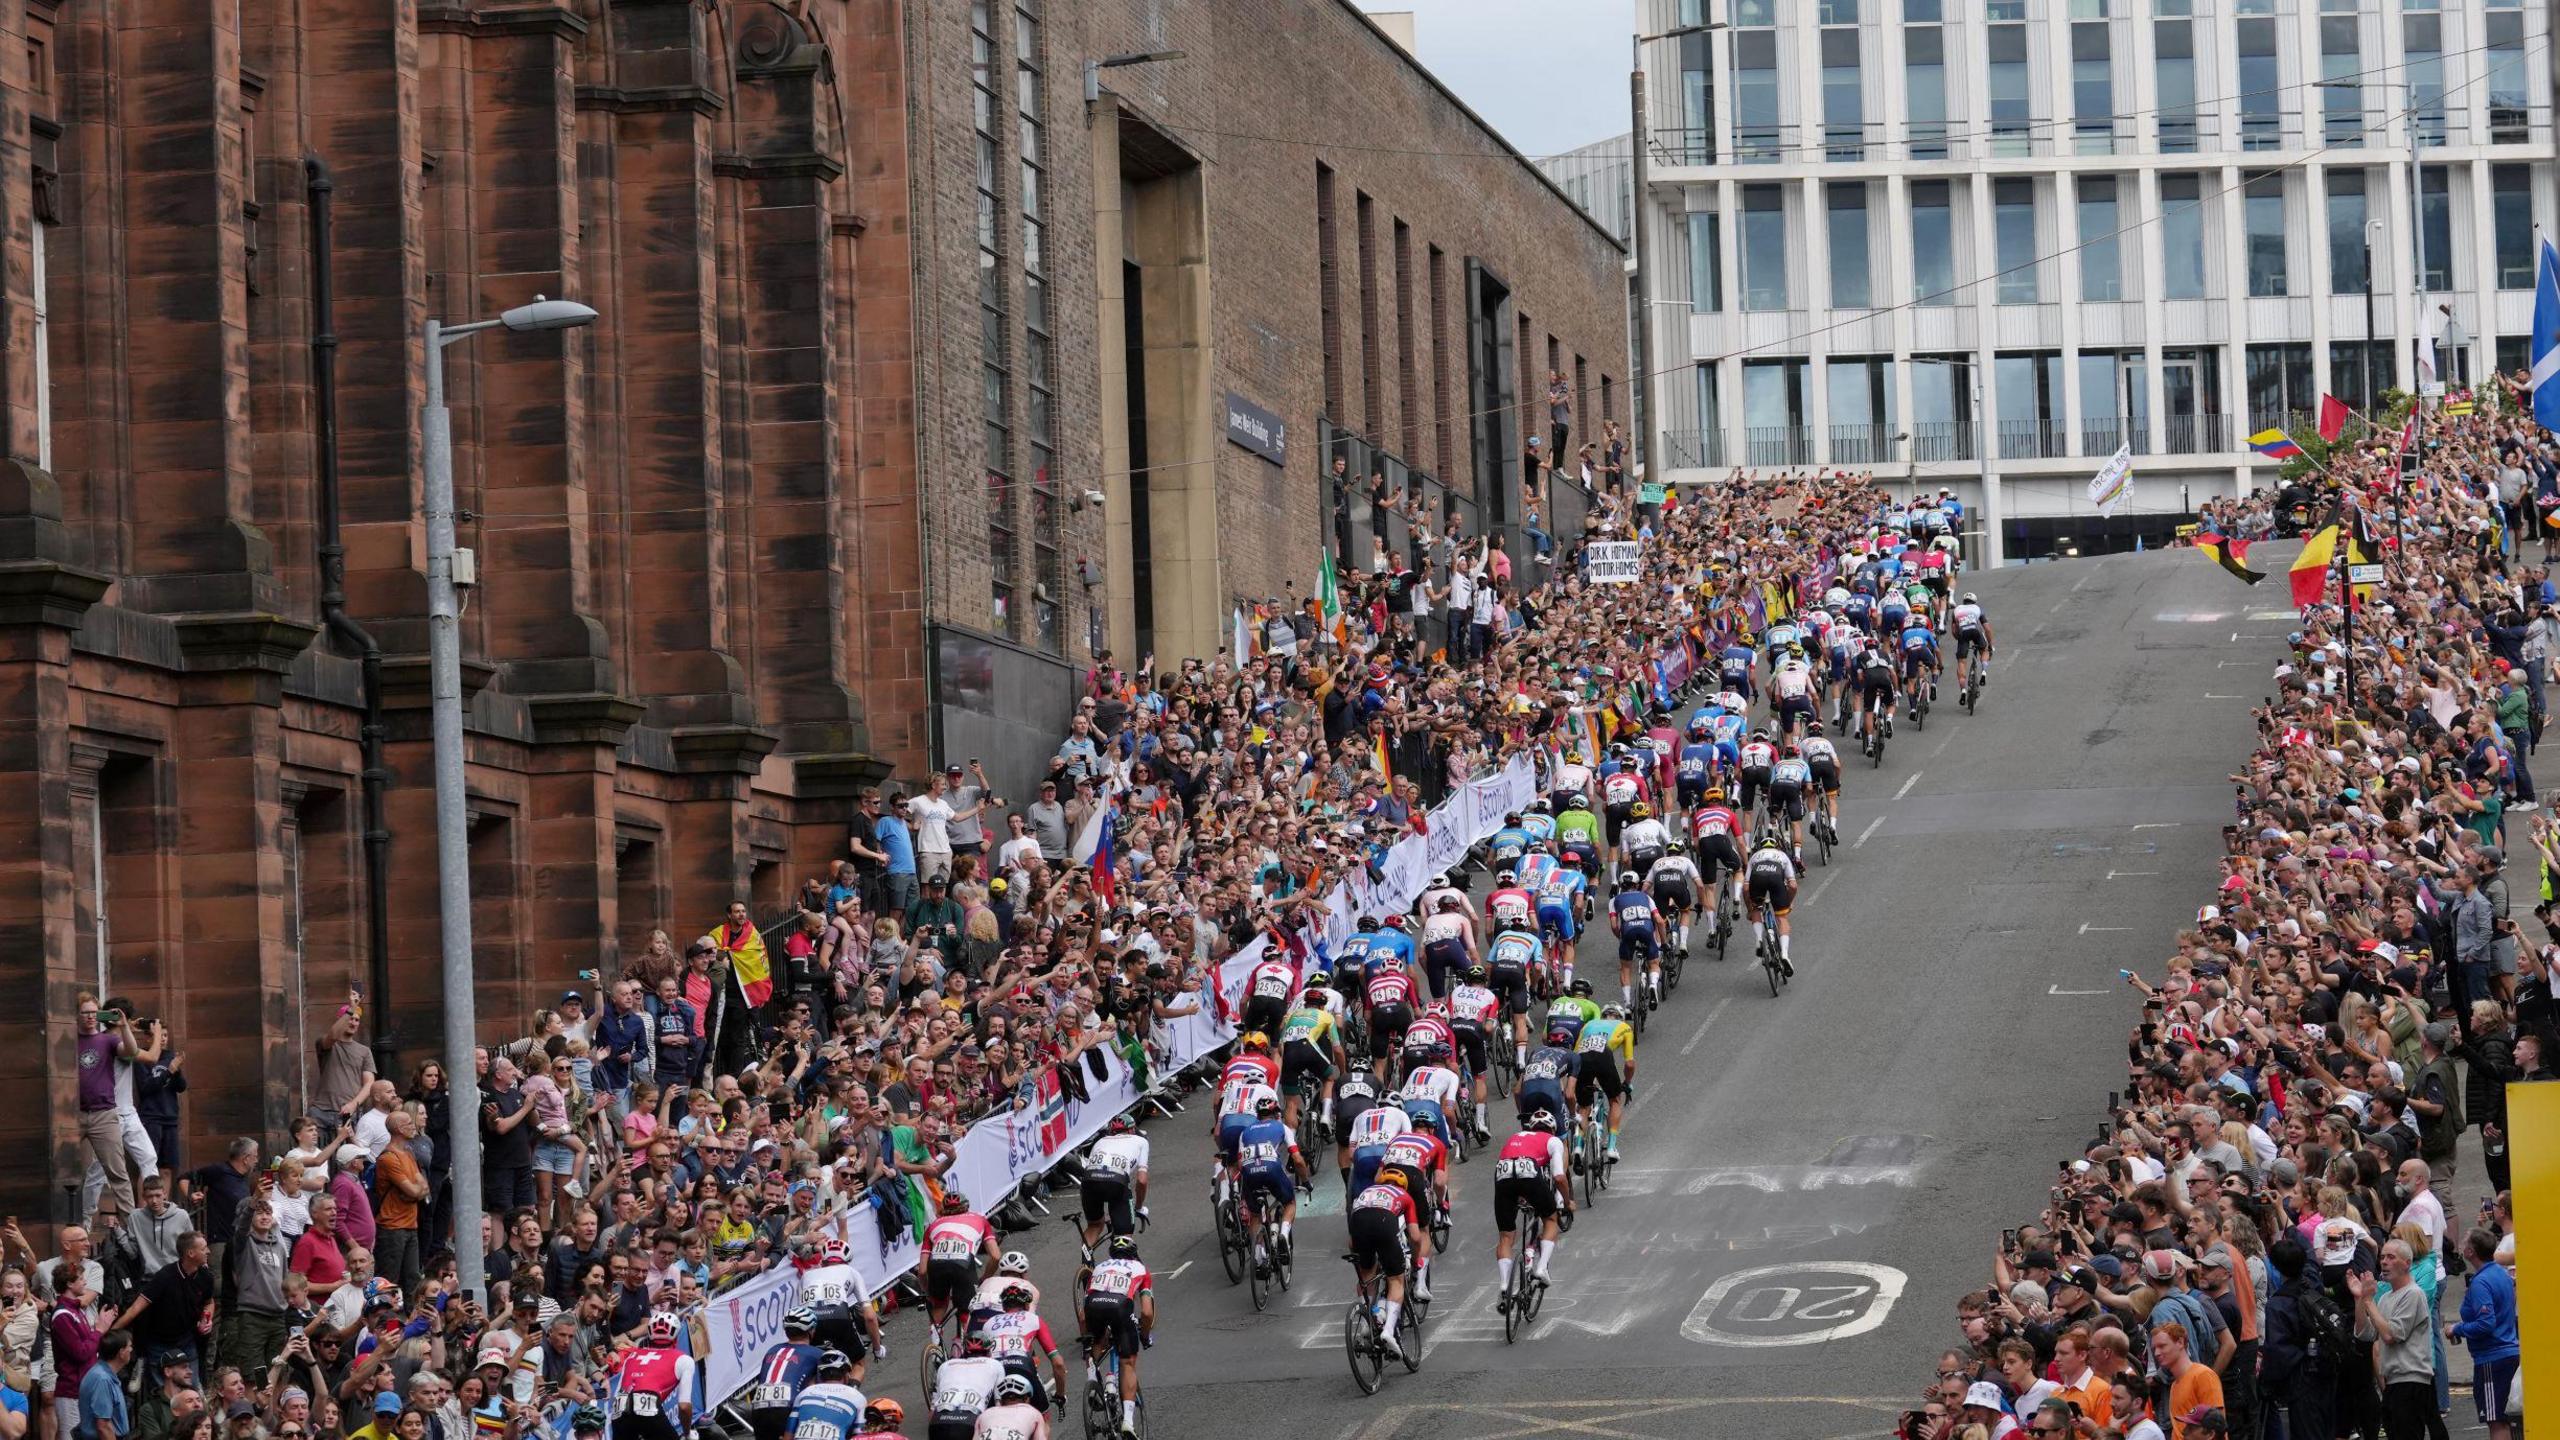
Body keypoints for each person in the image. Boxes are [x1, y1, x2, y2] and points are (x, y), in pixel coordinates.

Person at [1491, 1109, 1571, 1311]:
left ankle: (1504, 1286)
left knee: (1506, 1236)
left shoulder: (1515, 1136)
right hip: (1529, 1173)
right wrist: (1568, 1202)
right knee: (1550, 1220)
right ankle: (1542, 1268)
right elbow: (1559, 1177)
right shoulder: (1553, 1141)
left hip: (1504, 1173)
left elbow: (1512, 1167)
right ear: (1552, 1129)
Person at [1078, 1237, 1152, 1437]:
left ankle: (1093, 1381)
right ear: (1133, 1254)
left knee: (1098, 1340)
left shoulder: (1100, 1267)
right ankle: (1128, 1421)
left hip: (1093, 1304)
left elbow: (1083, 1316)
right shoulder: (1140, 1268)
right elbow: (1146, 1312)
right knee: (1128, 1361)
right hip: (1119, 1307)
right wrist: (1145, 1336)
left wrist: (1086, 1337)